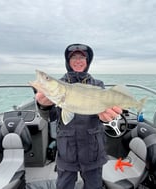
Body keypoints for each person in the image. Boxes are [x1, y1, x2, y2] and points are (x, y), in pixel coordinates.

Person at [36, 43, 122, 189]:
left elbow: (105, 114)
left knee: (94, 186)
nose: (78, 60)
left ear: (87, 61)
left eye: (82, 57)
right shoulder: (59, 85)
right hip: (67, 150)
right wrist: (44, 106)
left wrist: (108, 117)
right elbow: (50, 117)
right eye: (74, 57)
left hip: (92, 149)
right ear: (67, 62)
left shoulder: (98, 84)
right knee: (63, 186)